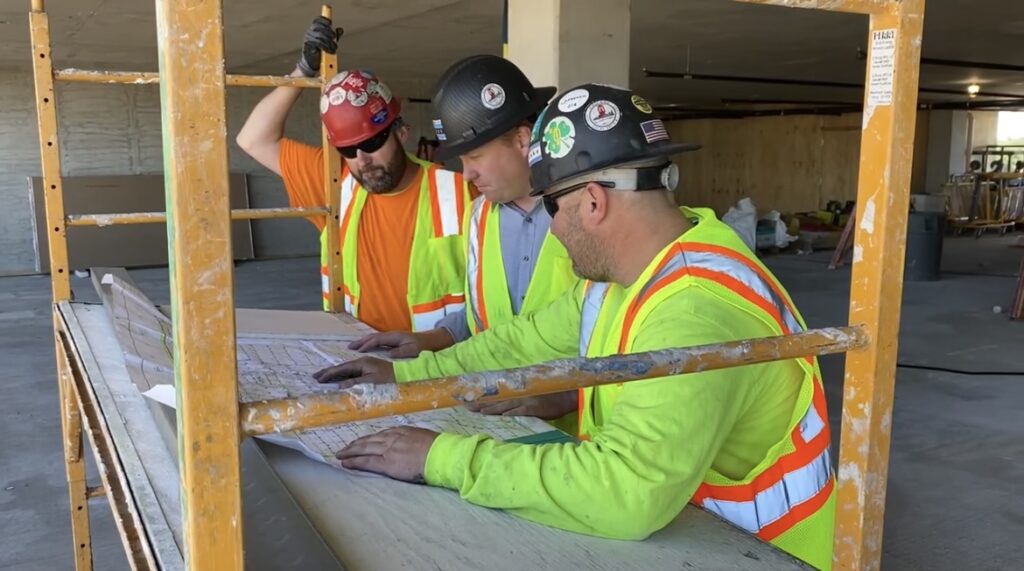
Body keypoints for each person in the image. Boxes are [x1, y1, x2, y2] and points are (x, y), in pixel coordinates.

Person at [316, 84, 836, 570]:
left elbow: (625, 492)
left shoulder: (693, 311)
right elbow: (526, 340)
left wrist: (441, 457)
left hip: (759, 550)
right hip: (690, 535)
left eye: (550, 207)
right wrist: (408, 376)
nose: (551, 228)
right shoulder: (630, 275)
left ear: (593, 201)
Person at [346, 55, 579, 425]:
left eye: (474, 155)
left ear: (521, 140)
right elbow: (483, 320)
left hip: (577, 439)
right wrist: (427, 340)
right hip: (495, 422)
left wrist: (572, 397)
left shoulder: (586, 214)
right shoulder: (481, 216)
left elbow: (625, 337)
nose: (466, 173)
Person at [236, 16, 475, 331]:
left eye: (373, 142)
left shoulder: (461, 191)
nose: (362, 158)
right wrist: (303, 72)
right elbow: (253, 139)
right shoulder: (336, 185)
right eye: (348, 150)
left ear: (401, 133)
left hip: (439, 365)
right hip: (360, 359)